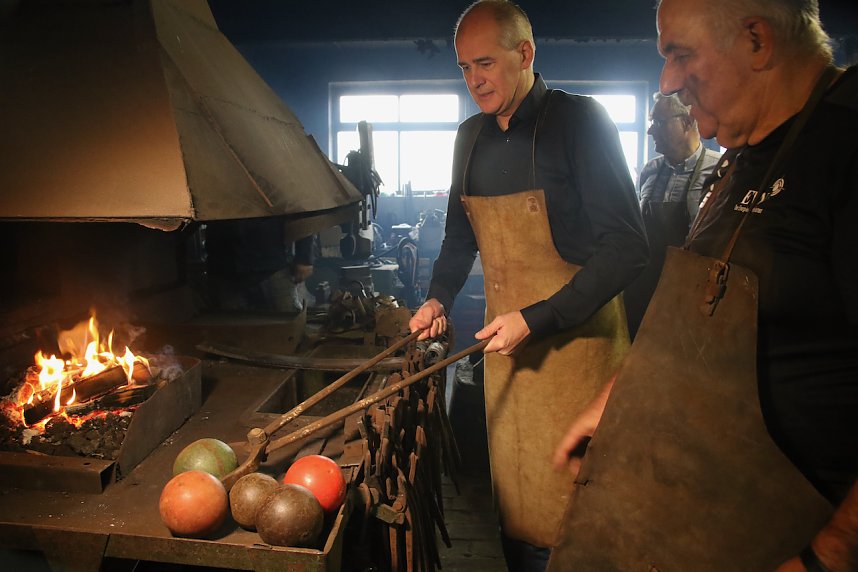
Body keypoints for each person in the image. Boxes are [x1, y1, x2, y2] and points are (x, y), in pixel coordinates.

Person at [552, 0, 858, 570]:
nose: (668, 81)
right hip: (707, 521)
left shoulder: (846, 144)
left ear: (757, 41)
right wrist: (618, 398)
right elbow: (694, 318)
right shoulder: (737, 162)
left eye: (680, 54)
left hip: (797, 533)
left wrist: (830, 553)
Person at [409, 1, 648, 569]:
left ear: (525, 54)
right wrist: (438, 296)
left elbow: (628, 248)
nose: (474, 81)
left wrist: (535, 317)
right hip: (507, 361)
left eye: (485, 63)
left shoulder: (580, 122)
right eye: (464, 68)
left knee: (580, 527)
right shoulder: (469, 139)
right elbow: (458, 237)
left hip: (580, 360)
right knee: (516, 514)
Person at [624, 92, 720, 338]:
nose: (650, 131)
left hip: (691, 291)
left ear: (687, 122)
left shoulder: (719, 170)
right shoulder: (649, 171)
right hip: (645, 286)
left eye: (658, 122)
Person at [204, 218, 314, 312]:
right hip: (225, 269)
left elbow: (299, 206)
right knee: (230, 332)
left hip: (271, 265)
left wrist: (304, 257)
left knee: (289, 326)